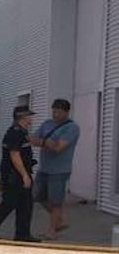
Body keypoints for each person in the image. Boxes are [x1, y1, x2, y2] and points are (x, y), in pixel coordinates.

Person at [0, 105, 38, 242]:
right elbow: (14, 155)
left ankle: (22, 234)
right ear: (23, 117)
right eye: (29, 116)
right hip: (14, 176)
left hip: (18, 174)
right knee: (9, 203)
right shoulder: (15, 133)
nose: (31, 118)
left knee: (25, 204)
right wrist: (24, 175)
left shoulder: (21, 132)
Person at [28, 98, 80, 239]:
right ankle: (59, 220)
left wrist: (43, 142)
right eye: (54, 111)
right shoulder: (47, 123)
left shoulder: (72, 128)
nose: (56, 115)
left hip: (59, 170)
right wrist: (47, 142)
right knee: (37, 196)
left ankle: (52, 231)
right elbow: (32, 139)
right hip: (44, 168)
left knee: (55, 201)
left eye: (59, 112)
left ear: (66, 112)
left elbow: (58, 147)